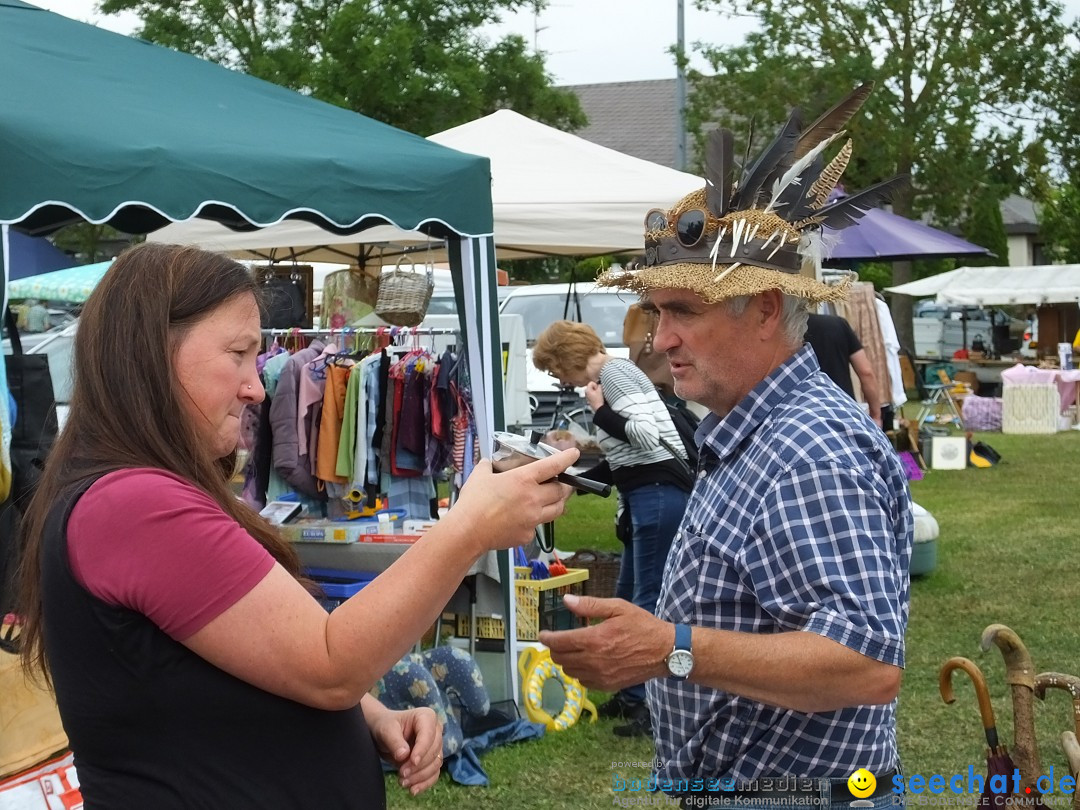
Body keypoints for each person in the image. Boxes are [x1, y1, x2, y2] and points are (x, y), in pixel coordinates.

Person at [16, 242, 578, 809]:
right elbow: (330, 663)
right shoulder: (135, 504)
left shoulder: (133, 494)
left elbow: (235, 659)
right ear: (149, 354)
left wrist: (367, 713)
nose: (256, 387)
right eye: (238, 353)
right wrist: (469, 529)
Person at [540, 84, 913, 808]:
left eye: (683, 311)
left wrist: (670, 648)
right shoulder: (752, 427)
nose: (662, 338)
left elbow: (867, 665)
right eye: (658, 312)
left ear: (767, 308)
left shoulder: (810, 449)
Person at [532, 320, 692, 737]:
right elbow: (625, 461)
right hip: (647, 492)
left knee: (647, 602)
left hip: (660, 493)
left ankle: (656, 707)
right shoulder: (610, 378)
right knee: (627, 594)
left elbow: (645, 435)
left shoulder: (614, 375)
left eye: (554, 370)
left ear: (565, 356)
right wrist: (575, 487)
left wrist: (600, 411)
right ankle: (633, 693)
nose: (559, 380)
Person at [804, 312, 884, 428]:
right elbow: (866, 372)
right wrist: (876, 415)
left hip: (806, 412)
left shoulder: (786, 331)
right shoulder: (837, 324)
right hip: (844, 410)